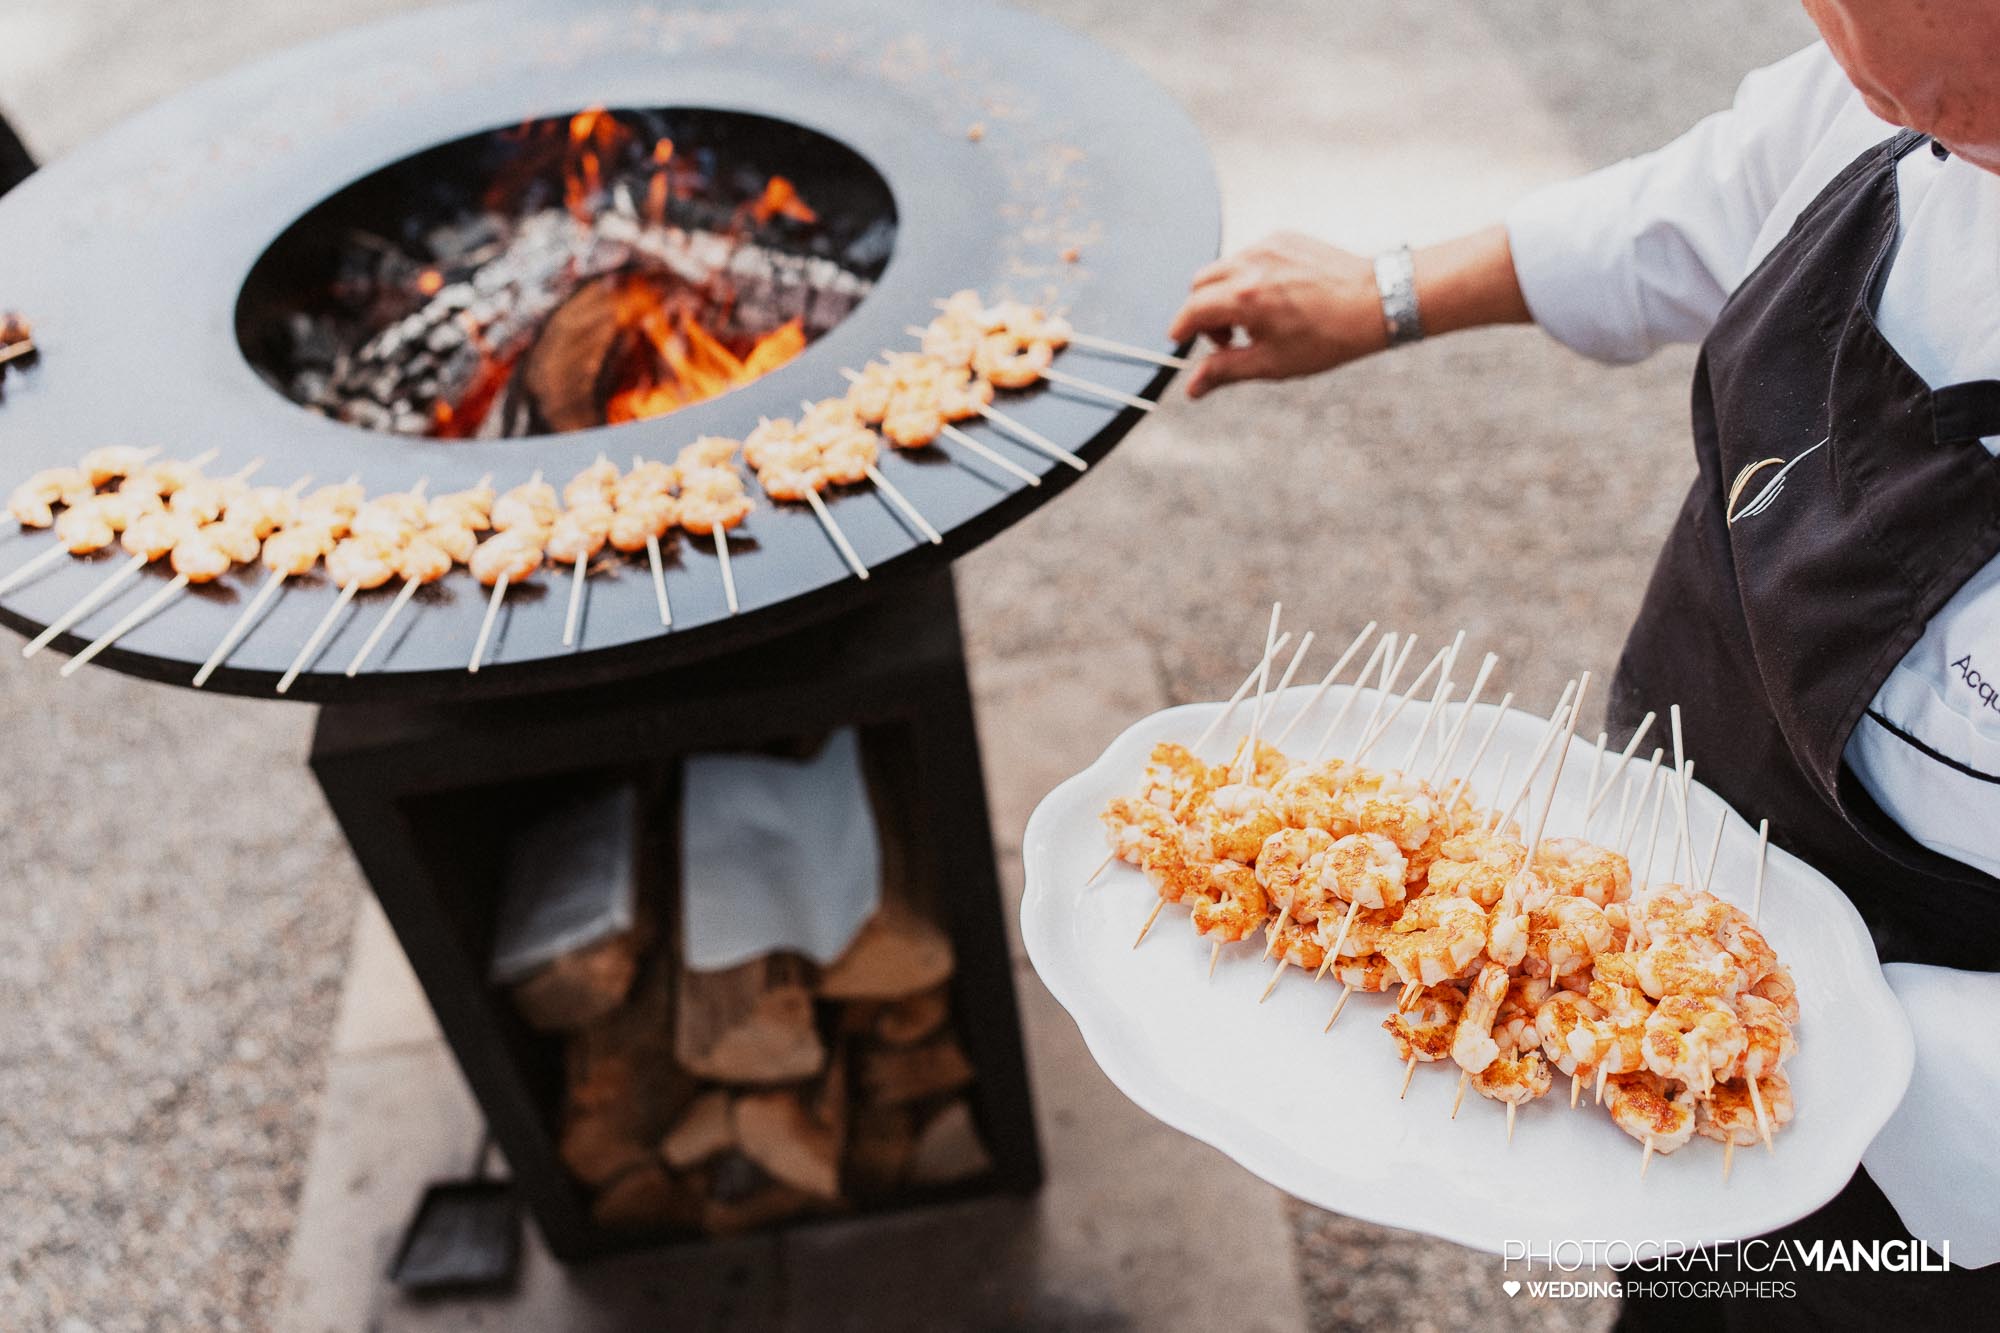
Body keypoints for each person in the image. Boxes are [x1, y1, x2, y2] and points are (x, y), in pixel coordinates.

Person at [1170, 1, 1998, 1327]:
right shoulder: (1879, 102)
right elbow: (1710, 200)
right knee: (1670, 1291)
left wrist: (1764, 1044)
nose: (1828, 23)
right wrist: (1386, 295)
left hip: (1931, 1158)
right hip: (1676, 884)